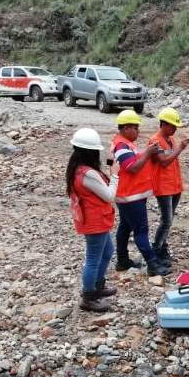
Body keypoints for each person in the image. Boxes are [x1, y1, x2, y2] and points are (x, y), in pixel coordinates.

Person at [66, 128, 119, 312]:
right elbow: (109, 195)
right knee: (93, 259)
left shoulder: (76, 169)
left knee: (107, 251)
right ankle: (88, 296)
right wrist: (115, 175)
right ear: (91, 152)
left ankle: (97, 285)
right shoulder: (88, 174)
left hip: (93, 219)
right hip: (95, 221)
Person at [109, 110, 164, 274]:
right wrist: (148, 153)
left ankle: (122, 260)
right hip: (130, 196)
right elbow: (132, 168)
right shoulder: (121, 145)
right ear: (126, 128)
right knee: (141, 230)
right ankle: (153, 264)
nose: (138, 131)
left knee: (125, 227)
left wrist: (147, 152)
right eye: (135, 128)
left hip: (130, 195)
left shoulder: (124, 143)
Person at [148, 107, 187, 274]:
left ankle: (162, 248)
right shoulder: (155, 141)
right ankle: (155, 252)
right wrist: (180, 148)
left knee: (168, 220)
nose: (175, 129)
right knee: (166, 221)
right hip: (163, 188)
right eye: (172, 126)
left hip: (174, 186)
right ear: (163, 124)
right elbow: (163, 161)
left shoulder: (170, 139)